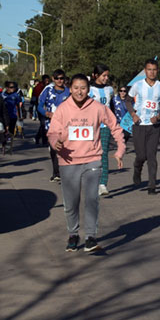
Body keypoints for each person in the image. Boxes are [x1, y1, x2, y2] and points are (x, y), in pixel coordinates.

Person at [47, 74, 125, 253]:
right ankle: (73, 234)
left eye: (83, 88)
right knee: (71, 202)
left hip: (92, 160)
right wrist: (55, 142)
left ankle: (90, 237)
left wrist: (120, 150)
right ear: (70, 89)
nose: (79, 91)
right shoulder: (63, 109)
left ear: (88, 89)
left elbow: (115, 127)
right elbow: (52, 132)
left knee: (91, 200)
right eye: (76, 88)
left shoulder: (98, 108)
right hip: (68, 162)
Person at [127, 59, 160, 195]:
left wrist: (158, 117)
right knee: (141, 155)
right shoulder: (137, 85)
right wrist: (133, 114)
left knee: (152, 156)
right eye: (149, 69)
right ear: (145, 71)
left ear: (157, 71)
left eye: (154, 70)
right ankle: (137, 168)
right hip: (139, 124)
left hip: (154, 126)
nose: (152, 72)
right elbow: (128, 101)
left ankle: (152, 185)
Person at [37, 70, 71, 181]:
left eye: (61, 78)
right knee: (54, 149)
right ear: (53, 79)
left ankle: (64, 172)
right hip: (50, 124)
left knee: (65, 148)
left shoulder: (68, 92)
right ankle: (56, 172)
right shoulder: (47, 90)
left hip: (66, 125)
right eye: (57, 78)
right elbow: (40, 106)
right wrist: (46, 113)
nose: (59, 80)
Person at [89, 64, 115, 196]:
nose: (106, 78)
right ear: (95, 76)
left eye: (107, 75)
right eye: (103, 75)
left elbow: (112, 107)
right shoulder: (89, 90)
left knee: (103, 153)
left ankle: (103, 183)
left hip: (105, 126)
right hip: (90, 127)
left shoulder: (110, 90)